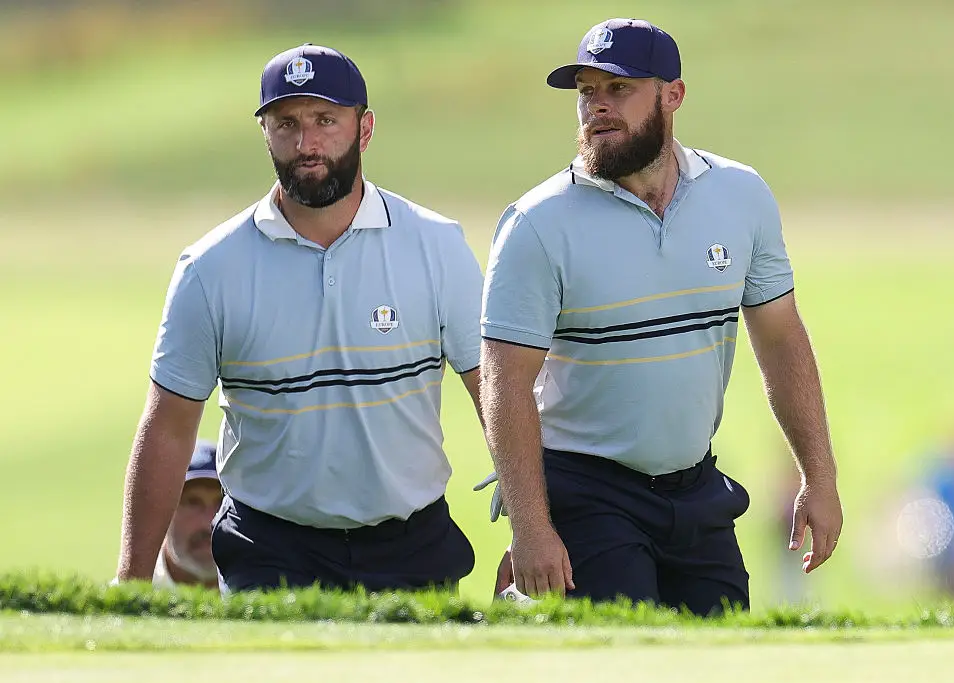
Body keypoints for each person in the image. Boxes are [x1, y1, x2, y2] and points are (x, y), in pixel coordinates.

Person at [477, 18, 843, 614]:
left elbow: (781, 339)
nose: (597, 107)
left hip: (695, 487)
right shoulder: (537, 224)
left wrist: (819, 479)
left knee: (720, 648)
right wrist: (532, 528)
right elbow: (505, 382)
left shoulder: (741, 195)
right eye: (587, 92)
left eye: (618, 90)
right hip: (586, 491)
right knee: (618, 655)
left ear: (672, 95)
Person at [115, 43, 484, 594]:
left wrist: (535, 529)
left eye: (325, 120)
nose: (306, 143)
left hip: (411, 543)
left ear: (365, 129)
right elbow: (167, 427)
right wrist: (132, 582)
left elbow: (496, 391)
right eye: (286, 123)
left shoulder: (436, 244)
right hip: (268, 547)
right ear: (265, 133)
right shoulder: (210, 267)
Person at [152, 440, 223, 589]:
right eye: (192, 503)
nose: (209, 522)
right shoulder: (120, 603)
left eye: (222, 503)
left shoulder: (270, 591)